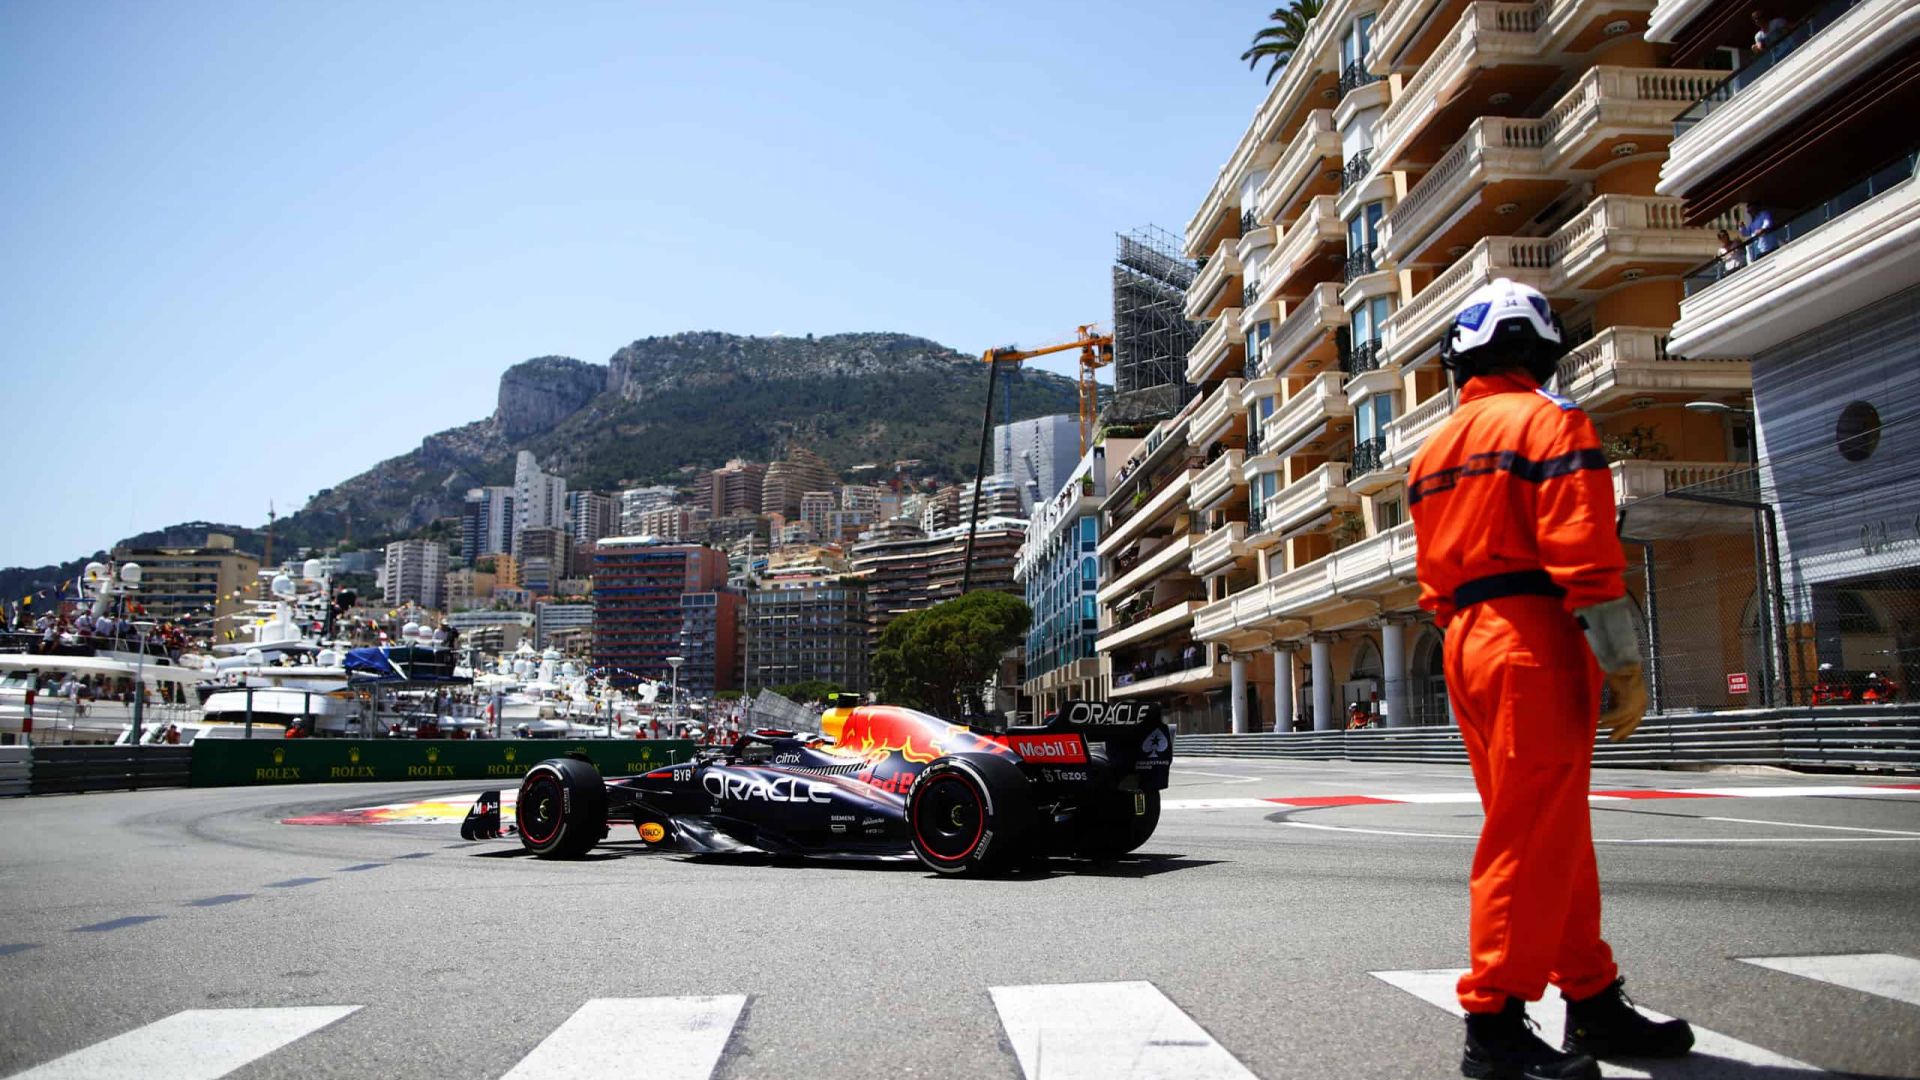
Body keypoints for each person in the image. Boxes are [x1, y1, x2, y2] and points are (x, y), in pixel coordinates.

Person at [1408, 279, 1694, 1080]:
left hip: (1464, 637)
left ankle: (1593, 1000)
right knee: (1533, 837)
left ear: (1458, 360)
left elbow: (1433, 571)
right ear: (1541, 352)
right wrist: (1624, 661)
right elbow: (1584, 551)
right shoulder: (1550, 420)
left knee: (1545, 829)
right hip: (1533, 634)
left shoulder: (1433, 450)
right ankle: (1493, 1024)